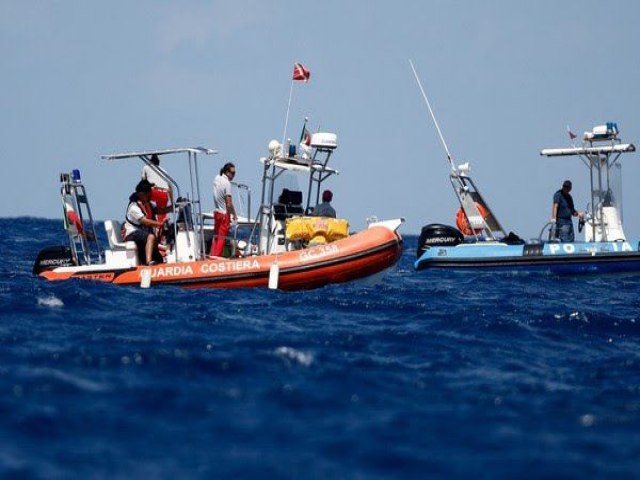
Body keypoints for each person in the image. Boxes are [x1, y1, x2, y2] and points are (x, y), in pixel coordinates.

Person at [123, 179, 172, 265]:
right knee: (151, 237)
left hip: (142, 233)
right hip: (132, 234)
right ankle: (149, 262)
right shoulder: (134, 207)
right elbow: (145, 221)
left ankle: (157, 260)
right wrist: (160, 224)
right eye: (148, 193)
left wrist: (173, 208)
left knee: (156, 243)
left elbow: (159, 210)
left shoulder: (147, 204)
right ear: (141, 194)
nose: (150, 195)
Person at [209, 162, 237, 257]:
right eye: (232, 173)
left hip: (216, 212)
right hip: (224, 213)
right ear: (227, 172)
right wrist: (234, 214)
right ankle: (216, 256)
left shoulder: (217, 178)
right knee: (221, 237)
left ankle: (212, 254)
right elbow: (229, 203)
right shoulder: (227, 183)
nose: (233, 175)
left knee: (216, 236)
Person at [141, 154, 173, 223]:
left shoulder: (146, 167)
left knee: (143, 200)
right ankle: (162, 229)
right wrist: (172, 203)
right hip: (164, 194)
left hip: (154, 191)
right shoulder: (164, 171)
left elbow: (143, 182)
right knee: (162, 216)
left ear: (150, 161)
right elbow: (171, 187)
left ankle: (147, 221)